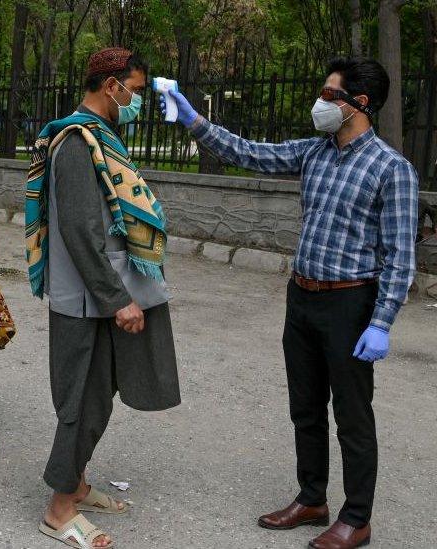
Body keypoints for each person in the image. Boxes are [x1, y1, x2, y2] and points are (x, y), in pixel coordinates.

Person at [165, 56, 418, 549]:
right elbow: (250, 153)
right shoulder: (315, 152)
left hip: (350, 305)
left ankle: (357, 518)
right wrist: (195, 122)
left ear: (358, 104)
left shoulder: (393, 170)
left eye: (329, 94)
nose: (319, 102)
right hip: (301, 297)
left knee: (352, 415)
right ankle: (312, 498)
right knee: (305, 406)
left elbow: (400, 258)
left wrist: (381, 321)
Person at [25, 47, 181, 549]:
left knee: (99, 396)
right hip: (88, 300)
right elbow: (78, 229)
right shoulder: (75, 141)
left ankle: (77, 485)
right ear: (110, 85)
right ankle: (58, 509)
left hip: (102, 294)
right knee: (81, 401)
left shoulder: (100, 136)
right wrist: (117, 299)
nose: (135, 100)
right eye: (133, 90)